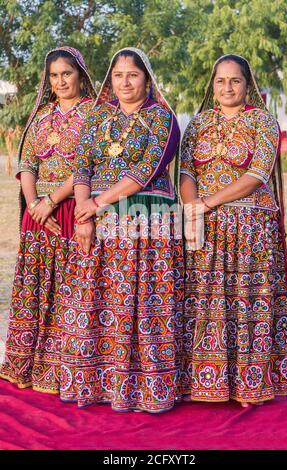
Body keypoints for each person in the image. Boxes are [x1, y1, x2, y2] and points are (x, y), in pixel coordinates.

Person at [58, 47, 184, 412]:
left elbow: (148, 168)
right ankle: (97, 383)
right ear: (109, 80)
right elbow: (82, 164)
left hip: (146, 221)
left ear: (146, 79)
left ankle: (148, 387)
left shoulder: (162, 118)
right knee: (98, 299)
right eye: (118, 75)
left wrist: (97, 204)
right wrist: (85, 214)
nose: (125, 81)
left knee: (143, 303)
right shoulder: (98, 116)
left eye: (133, 74)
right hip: (97, 221)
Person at [180, 54, 287, 407]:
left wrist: (207, 203)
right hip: (206, 227)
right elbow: (186, 173)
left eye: (235, 81)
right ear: (212, 85)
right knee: (206, 301)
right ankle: (203, 380)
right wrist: (191, 209)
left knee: (246, 301)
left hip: (250, 229)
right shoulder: (197, 125)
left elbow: (257, 175)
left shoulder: (262, 122)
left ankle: (249, 383)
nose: (227, 87)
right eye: (220, 81)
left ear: (248, 86)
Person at [0, 46, 96, 393]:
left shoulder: (95, 115)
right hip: (37, 216)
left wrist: (52, 201)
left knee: (72, 289)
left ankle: (62, 369)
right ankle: (27, 362)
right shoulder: (41, 115)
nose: (60, 81)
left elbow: (87, 165)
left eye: (66, 73)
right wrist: (34, 205)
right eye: (54, 75)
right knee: (34, 289)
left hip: (73, 209)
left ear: (80, 75)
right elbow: (28, 165)